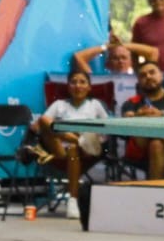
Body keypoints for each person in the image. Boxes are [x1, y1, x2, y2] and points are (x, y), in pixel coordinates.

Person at [35, 70, 110, 202]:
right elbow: (42, 123)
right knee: (44, 120)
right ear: (68, 86)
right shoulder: (59, 104)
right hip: (59, 150)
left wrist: (89, 135)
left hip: (87, 150)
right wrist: (70, 135)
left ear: (89, 87)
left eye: (82, 82)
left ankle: (73, 201)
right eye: (73, 82)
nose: (77, 86)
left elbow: (108, 128)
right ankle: (77, 140)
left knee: (73, 148)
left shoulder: (95, 105)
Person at [120, 60, 164, 179]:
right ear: (139, 81)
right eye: (143, 75)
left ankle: (155, 193)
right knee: (145, 120)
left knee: (156, 144)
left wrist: (159, 116)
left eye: (152, 72)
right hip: (140, 146)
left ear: (161, 75)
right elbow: (127, 119)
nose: (148, 77)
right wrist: (140, 115)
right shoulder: (131, 102)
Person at [71, 31, 157, 77]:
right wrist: (107, 47)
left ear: (131, 61)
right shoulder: (100, 79)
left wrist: (122, 45)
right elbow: (79, 57)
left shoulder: (140, 77)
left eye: (124, 58)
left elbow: (153, 52)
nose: (120, 61)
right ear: (108, 63)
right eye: (115, 58)